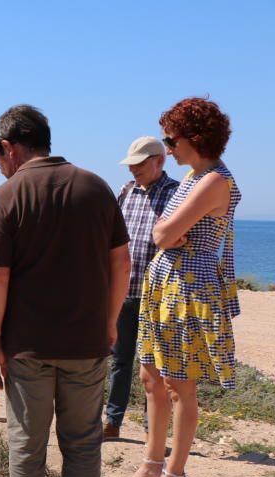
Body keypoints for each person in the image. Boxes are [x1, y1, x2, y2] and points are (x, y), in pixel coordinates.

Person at [0, 105, 131, 477]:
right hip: (87, 344)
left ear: (10, 147)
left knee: (28, 445)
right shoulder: (96, 187)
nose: (0, 166)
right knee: (83, 444)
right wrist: (108, 323)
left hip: (27, 348)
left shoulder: (6, 196)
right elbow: (121, 263)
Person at [122, 98, 241, 477]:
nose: (168, 149)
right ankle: (152, 464)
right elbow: (165, 233)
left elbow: (162, 233)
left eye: (172, 140)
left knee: (178, 386)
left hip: (189, 288)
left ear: (195, 137)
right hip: (167, 283)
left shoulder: (214, 180)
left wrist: (171, 233)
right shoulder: (194, 177)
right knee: (151, 379)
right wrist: (170, 233)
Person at [104, 138, 180, 441]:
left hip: (158, 296)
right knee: (120, 360)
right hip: (124, 290)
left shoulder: (176, 193)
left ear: (159, 161)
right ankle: (112, 422)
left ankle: (154, 432)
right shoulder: (126, 190)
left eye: (139, 163)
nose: (133, 168)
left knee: (157, 367)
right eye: (131, 163)